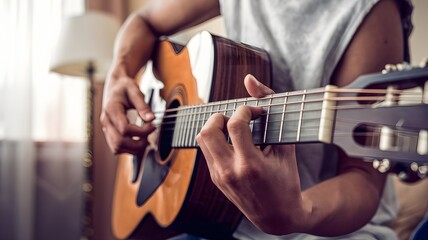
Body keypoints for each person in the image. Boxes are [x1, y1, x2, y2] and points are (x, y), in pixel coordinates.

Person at [100, 0, 413, 239]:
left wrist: (296, 214)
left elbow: (364, 183)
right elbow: (142, 21)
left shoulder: (371, 9)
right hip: (228, 225)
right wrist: (118, 76)